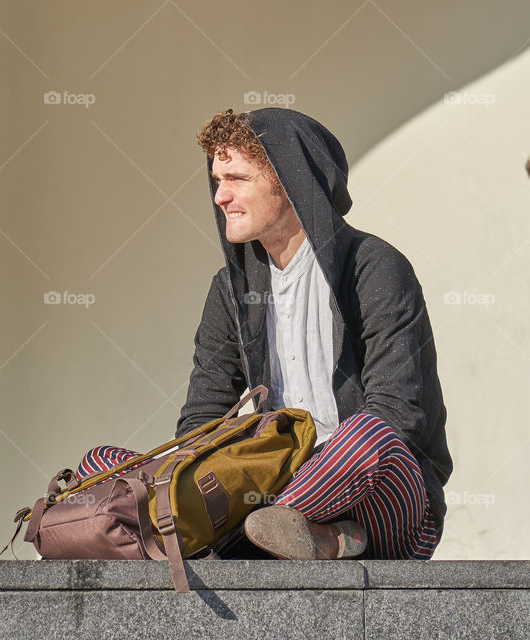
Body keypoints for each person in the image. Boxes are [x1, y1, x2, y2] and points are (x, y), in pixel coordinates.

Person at [77, 107, 453, 560]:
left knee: (368, 435)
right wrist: (198, 485)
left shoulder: (374, 267)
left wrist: (274, 490)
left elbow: (399, 417)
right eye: (217, 180)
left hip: (382, 503)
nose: (220, 196)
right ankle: (271, 533)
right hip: (268, 490)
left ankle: (304, 533)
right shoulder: (229, 290)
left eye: (236, 178)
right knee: (100, 466)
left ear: (292, 181)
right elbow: (203, 421)